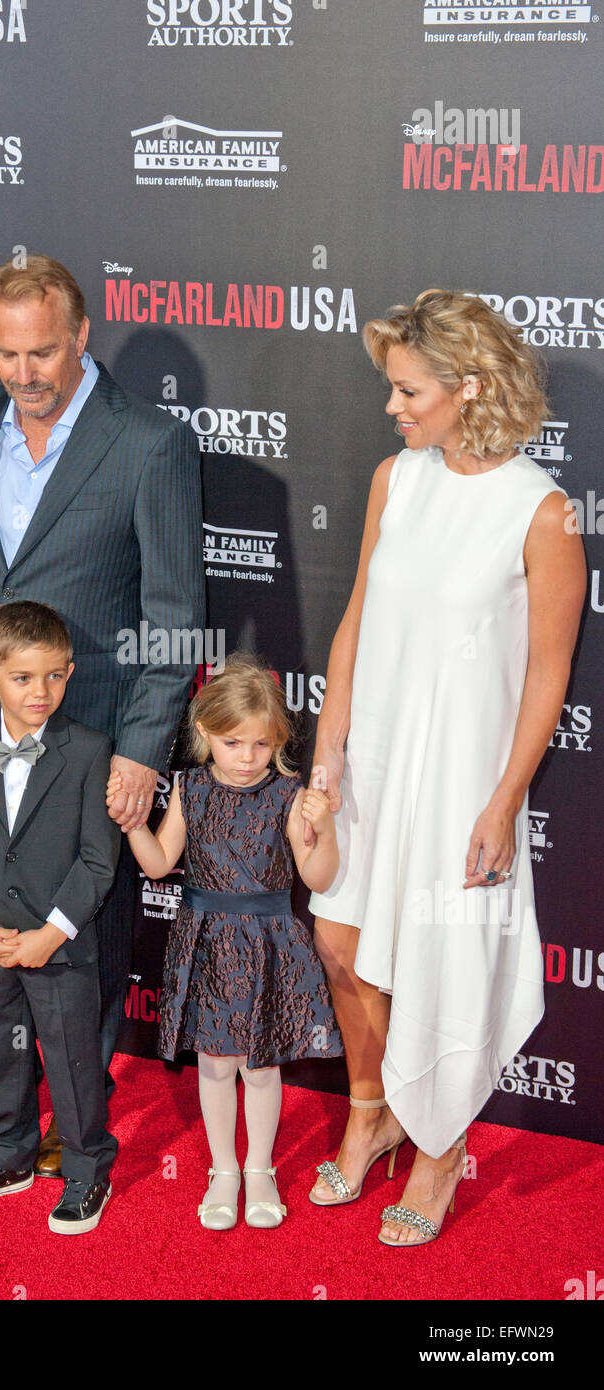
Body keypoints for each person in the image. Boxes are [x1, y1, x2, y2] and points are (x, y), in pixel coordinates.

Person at [307, 290, 586, 1246]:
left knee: (441, 964)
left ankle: (438, 1153)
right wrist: (328, 750)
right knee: (342, 946)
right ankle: (374, 1106)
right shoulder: (399, 479)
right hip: (376, 758)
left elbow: (549, 677)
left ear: (468, 388)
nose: (392, 405)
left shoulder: (541, 513)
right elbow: (356, 619)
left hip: (461, 776)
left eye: (408, 388)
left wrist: (505, 802)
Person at [0, 253, 205, 1171]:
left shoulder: (147, 442)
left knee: (85, 929)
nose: (23, 374)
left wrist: (141, 751)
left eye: (42, 352)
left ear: (81, 336)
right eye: (7, 354)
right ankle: (10, 1105)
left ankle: (79, 1110)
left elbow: (174, 618)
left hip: (94, 734)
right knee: (1, 916)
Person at [108, 656, 343, 1230]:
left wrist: (327, 828)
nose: (245, 758)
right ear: (204, 733)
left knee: (261, 1068)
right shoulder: (189, 789)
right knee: (214, 1066)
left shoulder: (287, 797)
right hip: (207, 943)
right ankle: (224, 1169)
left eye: (260, 746)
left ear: (278, 744)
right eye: (232, 742)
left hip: (267, 944)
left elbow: (318, 878)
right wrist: (132, 822)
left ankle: (259, 1168)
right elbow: (161, 864)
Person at [0, 601, 120, 1233]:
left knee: (71, 1058)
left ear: (69, 673)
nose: (41, 692)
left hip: (57, 944)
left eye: (55, 676)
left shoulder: (88, 750)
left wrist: (51, 932)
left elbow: (97, 861)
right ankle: (6, 1152)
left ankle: (88, 1169)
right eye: (23, 678)